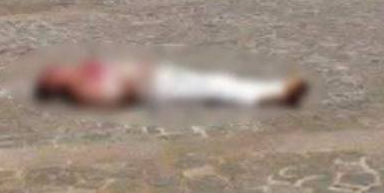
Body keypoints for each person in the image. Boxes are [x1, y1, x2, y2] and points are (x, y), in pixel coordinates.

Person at [35, 58, 309, 108]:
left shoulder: (81, 76)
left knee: (215, 81)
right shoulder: (83, 91)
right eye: (53, 74)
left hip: (158, 76)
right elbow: (118, 94)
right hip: (156, 87)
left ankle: (275, 91)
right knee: (214, 86)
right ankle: (277, 93)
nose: (58, 69)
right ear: (55, 85)